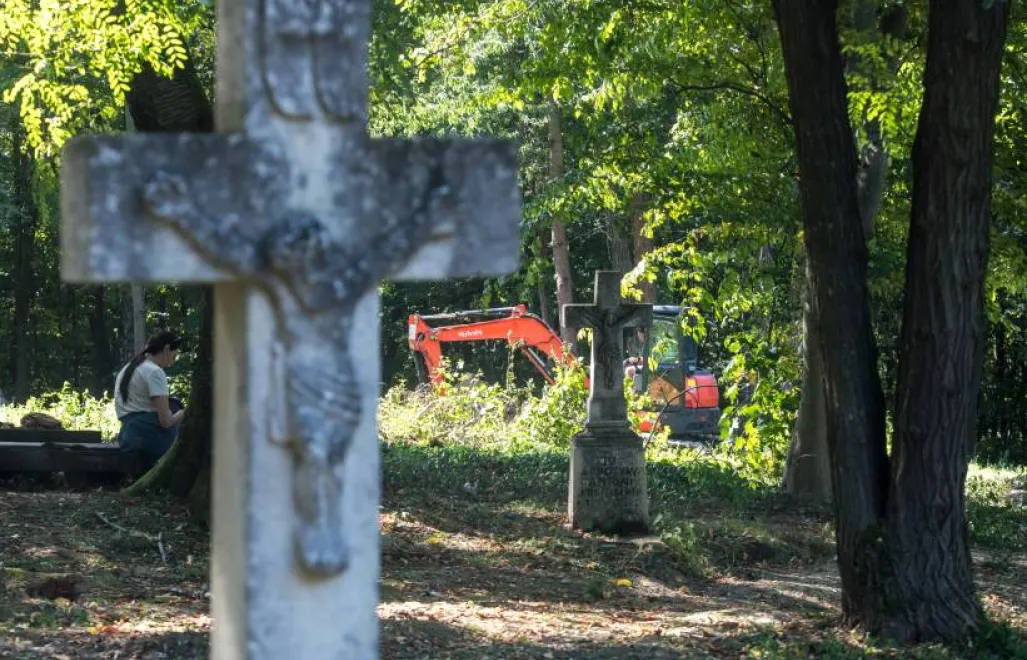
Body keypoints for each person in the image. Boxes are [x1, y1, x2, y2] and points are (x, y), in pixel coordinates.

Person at [114, 330, 186, 470]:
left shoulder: (128, 368)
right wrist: (187, 411)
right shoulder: (154, 372)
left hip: (128, 436)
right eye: (174, 355)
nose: (173, 361)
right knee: (178, 411)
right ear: (166, 349)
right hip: (148, 436)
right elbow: (166, 422)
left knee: (173, 404)